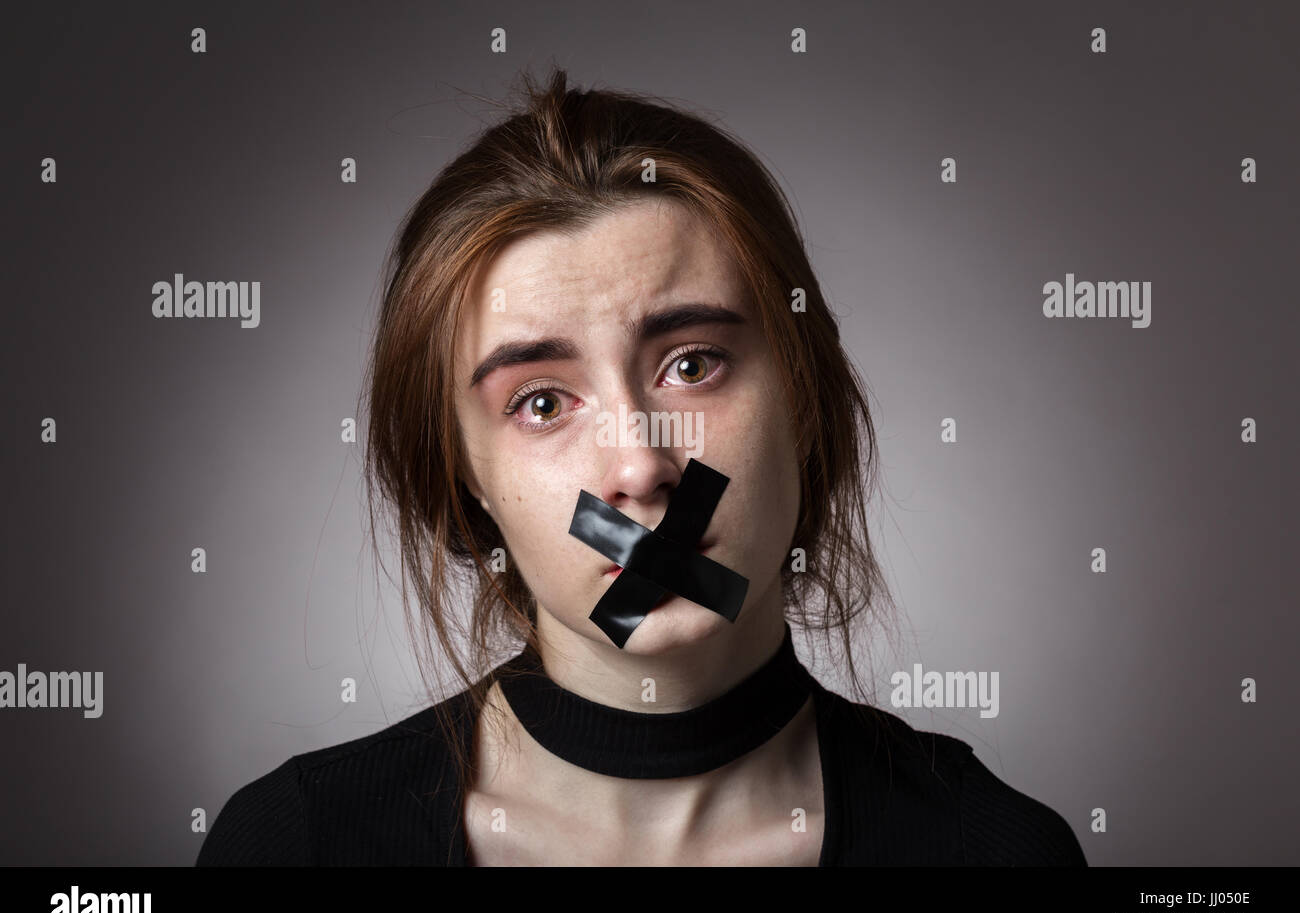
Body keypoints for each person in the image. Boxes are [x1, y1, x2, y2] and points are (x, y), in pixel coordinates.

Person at [196, 65, 1086, 866]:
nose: (639, 468)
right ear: (463, 474)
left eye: (692, 364)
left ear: (804, 399)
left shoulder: (990, 856)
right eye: (541, 402)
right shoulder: (299, 847)